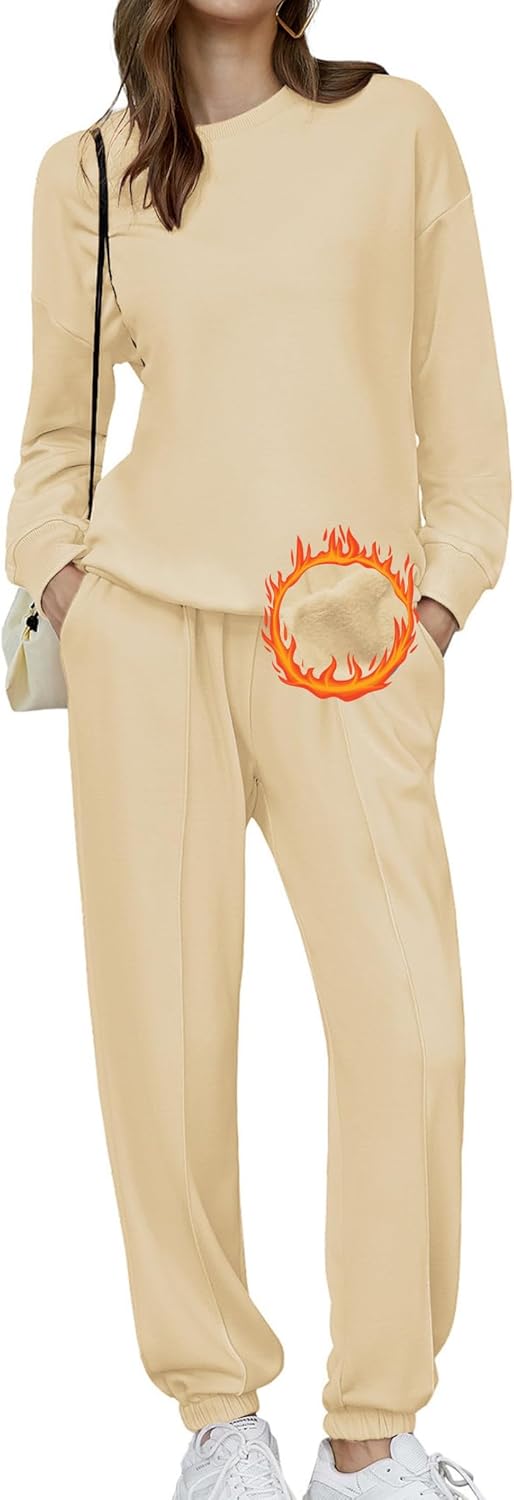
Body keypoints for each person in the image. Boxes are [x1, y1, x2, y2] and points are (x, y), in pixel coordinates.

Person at [4, 1, 510, 1496]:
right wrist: (71, 590)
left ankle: (373, 1429)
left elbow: (463, 421)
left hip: (349, 638)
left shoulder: (396, 128)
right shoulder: (88, 172)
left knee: (406, 1021)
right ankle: (219, 1416)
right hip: (147, 633)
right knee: (160, 1041)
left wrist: (434, 607)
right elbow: (54, 438)